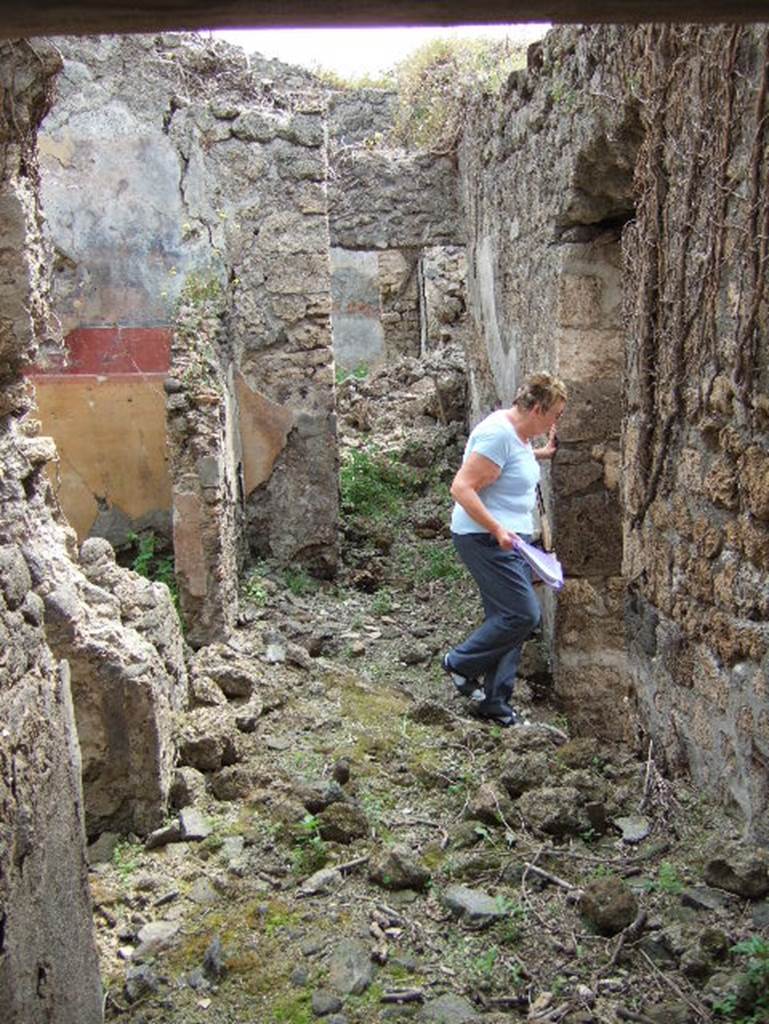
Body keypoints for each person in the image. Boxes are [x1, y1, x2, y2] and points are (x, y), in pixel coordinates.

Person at [443, 371, 567, 726]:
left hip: (511, 539)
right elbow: (461, 488)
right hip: (483, 538)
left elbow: (511, 464)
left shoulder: (520, 437)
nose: (556, 421)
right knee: (523, 615)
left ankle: (496, 703)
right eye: (555, 415)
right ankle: (460, 663)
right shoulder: (498, 434)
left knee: (506, 619)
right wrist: (496, 528)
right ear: (538, 409)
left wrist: (542, 453)